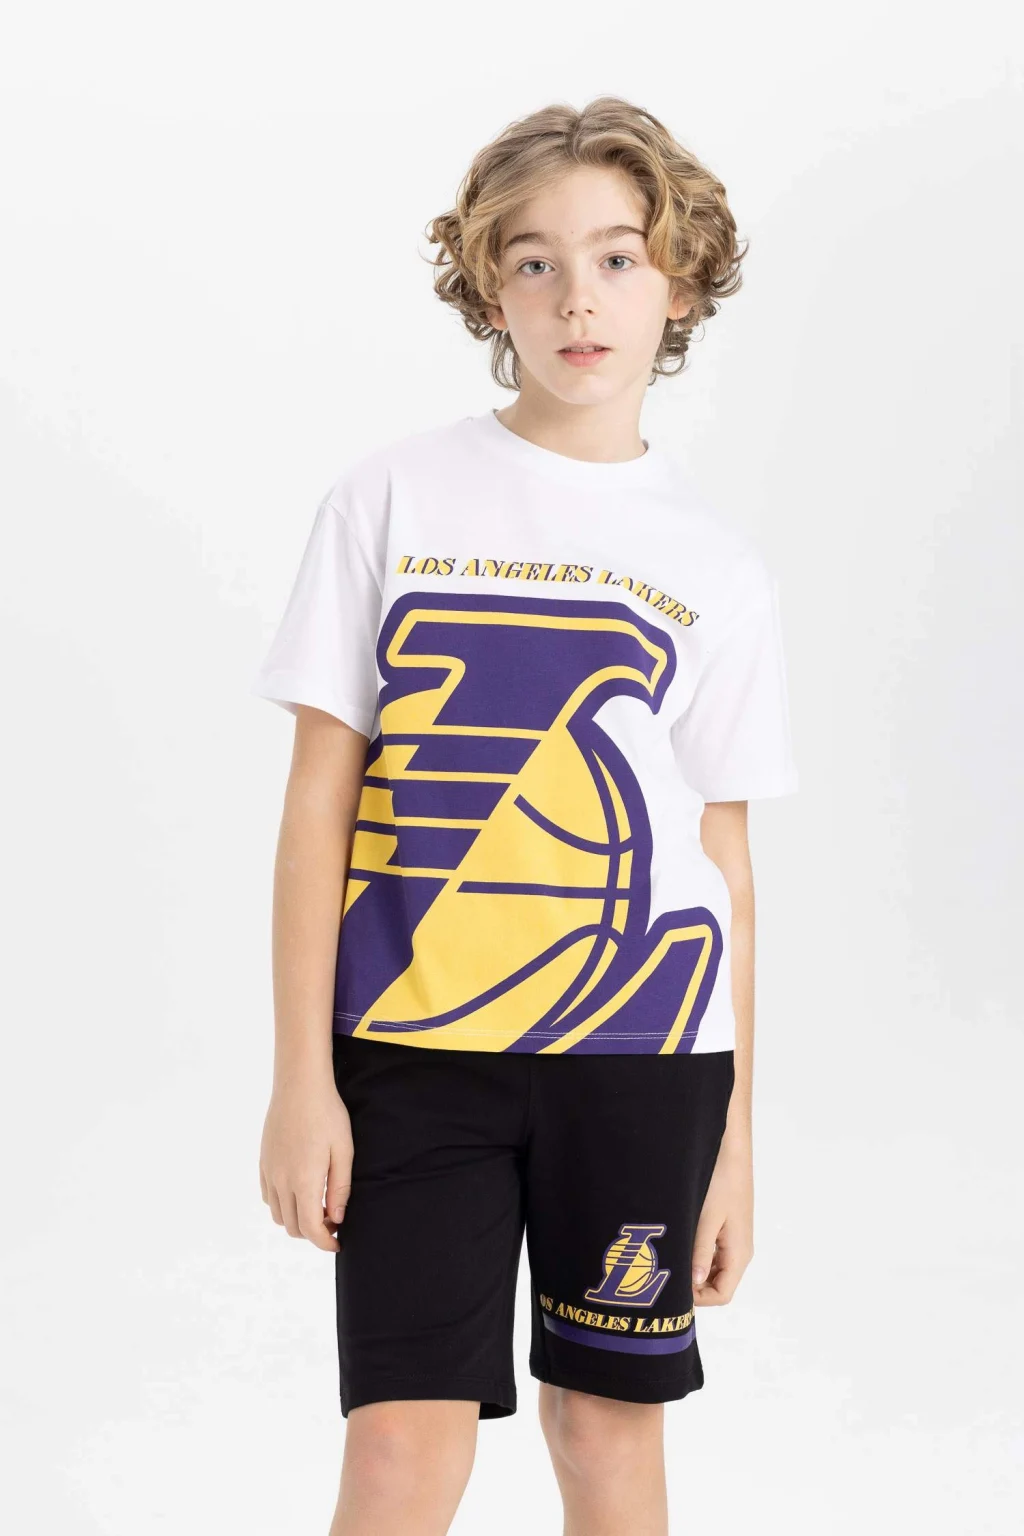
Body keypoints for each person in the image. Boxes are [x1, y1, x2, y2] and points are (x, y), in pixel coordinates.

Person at [251, 94, 798, 1536]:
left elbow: (726, 868)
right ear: (488, 287)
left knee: (606, 1435)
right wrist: (301, 1079)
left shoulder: (717, 566)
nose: (578, 299)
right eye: (537, 262)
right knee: (401, 1446)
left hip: (644, 1062)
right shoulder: (391, 497)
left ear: (680, 285)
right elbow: (319, 805)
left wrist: (737, 1144)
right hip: (413, 1055)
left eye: (618, 259)